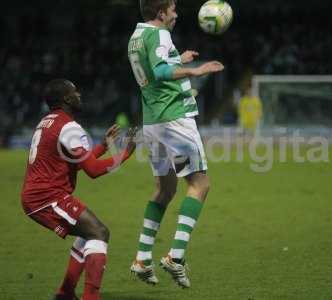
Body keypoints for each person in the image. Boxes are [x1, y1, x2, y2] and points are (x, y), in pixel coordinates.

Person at [128, 0, 224, 288]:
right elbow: (158, 72)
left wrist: (177, 60)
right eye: (172, 10)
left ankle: (143, 258)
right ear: (160, 13)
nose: (176, 15)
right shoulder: (159, 35)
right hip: (174, 122)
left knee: (165, 188)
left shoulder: (136, 37)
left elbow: (153, 67)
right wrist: (196, 70)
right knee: (200, 184)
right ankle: (176, 256)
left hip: (154, 122)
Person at [20, 79, 137, 300]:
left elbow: (78, 162)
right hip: (46, 197)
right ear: (66, 99)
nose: (79, 95)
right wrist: (126, 153)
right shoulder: (69, 127)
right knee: (99, 232)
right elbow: (92, 170)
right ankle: (90, 297)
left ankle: (65, 293)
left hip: (39, 195)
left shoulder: (47, 121)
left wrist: (103, 146)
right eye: (75, 92)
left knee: (87, 231)